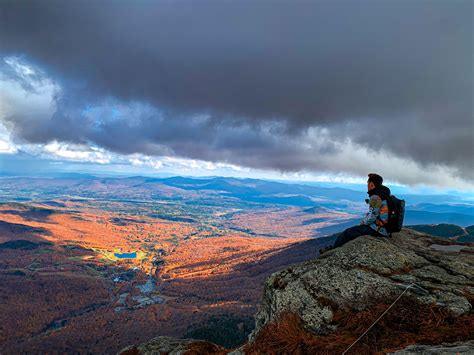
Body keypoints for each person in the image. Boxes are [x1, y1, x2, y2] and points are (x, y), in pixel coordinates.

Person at [320, 173, 390, 253]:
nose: (367, 185)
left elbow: (373, 216)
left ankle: (333, 250)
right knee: (352, 232)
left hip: (378, 229)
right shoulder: (384, 194)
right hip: (384, 228)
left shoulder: (376, 197)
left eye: (368, 183)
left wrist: (363, 222)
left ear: (371, 184)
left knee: (348, 233)